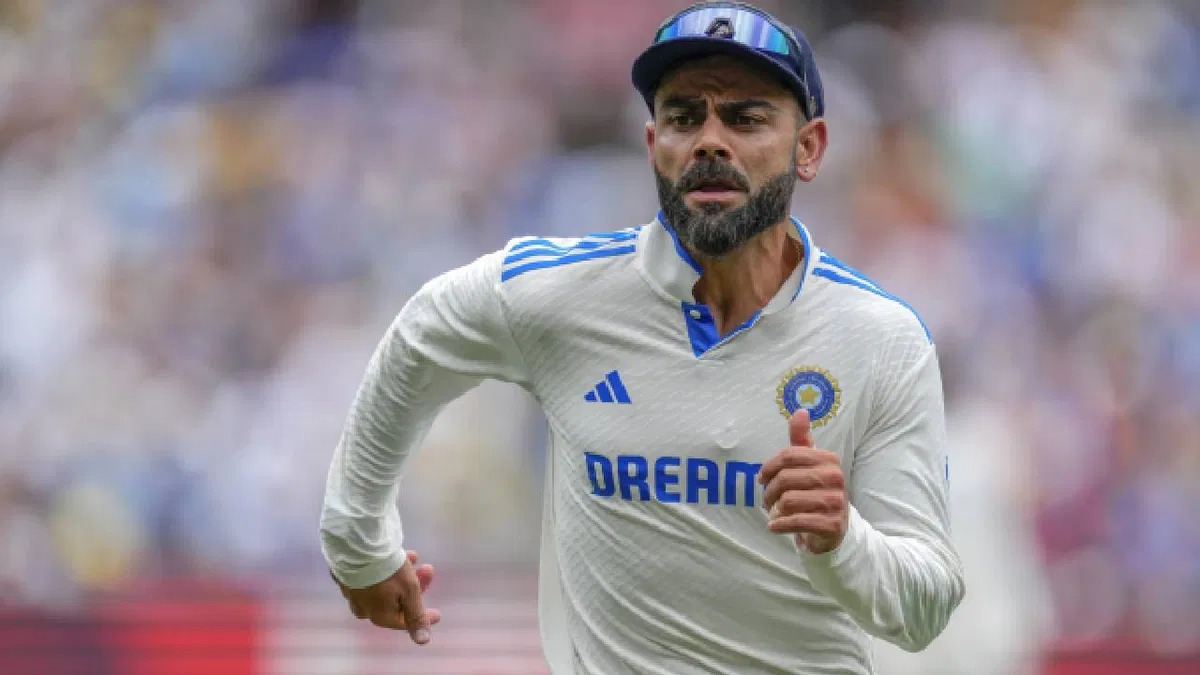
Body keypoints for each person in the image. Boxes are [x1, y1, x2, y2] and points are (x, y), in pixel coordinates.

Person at [319, 2, 965, 672]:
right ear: (654, 143)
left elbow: (927, 608)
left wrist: (843, 539)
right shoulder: (558, 294)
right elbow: (419, 337)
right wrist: (358, 545)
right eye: (685, 117)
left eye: (745, 118)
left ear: (809, 148)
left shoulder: (881, 338)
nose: (710, 141)